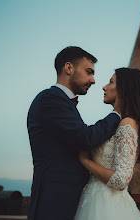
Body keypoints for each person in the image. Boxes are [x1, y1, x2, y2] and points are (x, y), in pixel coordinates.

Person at [27, 46, 121, 220]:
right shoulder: (50, 99)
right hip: (54, 201)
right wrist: (117, 113)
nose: (93, 80)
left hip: (68, 200)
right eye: (88, 72)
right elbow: (86, 138)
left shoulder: (63, 103)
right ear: (69, 68)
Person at [74, 68, 140, 220]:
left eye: (111, 82)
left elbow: (121, 179)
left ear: (124, 89)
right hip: (96, 199)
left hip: (106, 206)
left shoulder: (127, 124)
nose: (104, 87)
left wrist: (85, 161)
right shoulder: (120, 122)